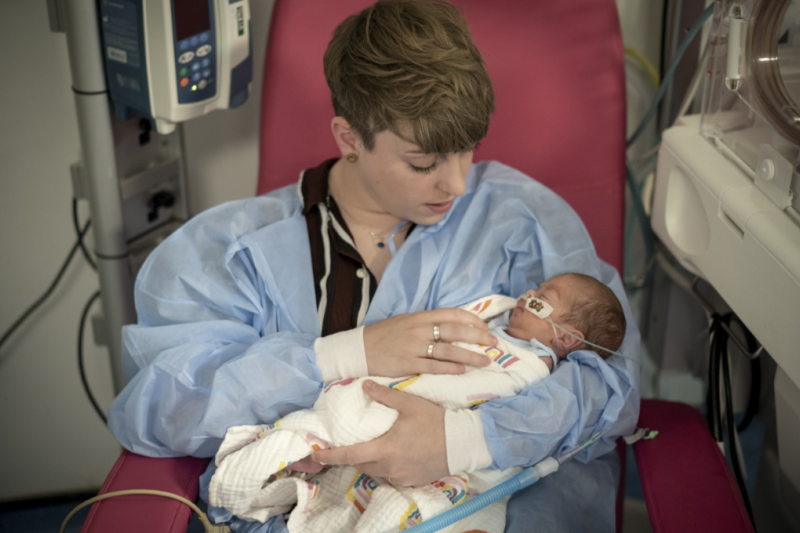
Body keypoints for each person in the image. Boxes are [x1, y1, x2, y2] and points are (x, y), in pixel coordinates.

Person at [106, 1, 640, 532]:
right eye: (424, 163)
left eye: (467, 151)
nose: (456, 183)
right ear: (350, 139)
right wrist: (343, 355)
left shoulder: (520, 219)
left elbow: (609, 379)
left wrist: (467, 442)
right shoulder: (230, 252)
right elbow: (163, 408)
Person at [205, 272, 627, 533]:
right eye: (533, 289)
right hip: (382, 403)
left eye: (540, 299)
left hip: (451, 473)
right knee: (325, 431)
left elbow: (531, 413)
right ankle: (278, 472)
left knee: (407, 509)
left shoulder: (540, 374)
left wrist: (458, 437)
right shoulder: (490, 319)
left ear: (567, 338)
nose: (527, 293)